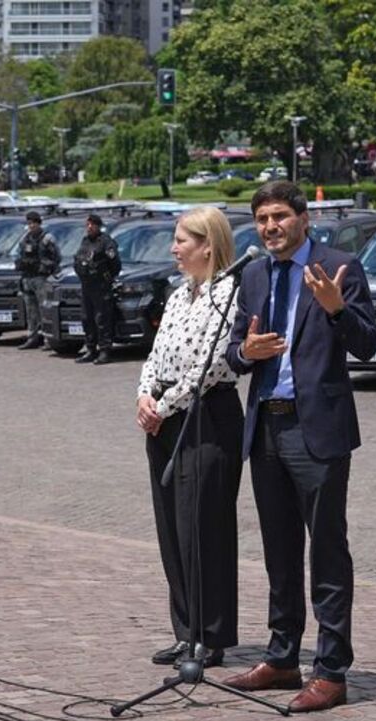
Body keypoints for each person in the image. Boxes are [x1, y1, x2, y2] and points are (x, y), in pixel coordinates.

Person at [222, 181, 376, 713]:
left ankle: (331, 671)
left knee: (327, 550)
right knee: (279, 550)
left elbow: (367, 344)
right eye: (262, 219)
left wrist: (336, 309)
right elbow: (234, 352)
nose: (271, 227)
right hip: (266, 427)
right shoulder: (253, 274)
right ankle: (283, 656)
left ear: (303, 218)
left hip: (318, 432)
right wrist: (246, 351)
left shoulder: (340, 267)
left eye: (280, 216)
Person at [137, 206, 243, 670]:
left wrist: (163, 406)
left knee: (203, 528)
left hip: (205, 416)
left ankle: (210, 635)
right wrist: (144, 395)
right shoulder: (180, 294)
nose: (174, 248)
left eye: (182, 240)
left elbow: (211, 365)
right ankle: (185, 631)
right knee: (172, 528)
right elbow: (155, 353)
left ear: (208, 245)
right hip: (164, 416)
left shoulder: (228, 294)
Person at [73, 213, 121, 365]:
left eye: (92, 225)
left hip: (101, 286)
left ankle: (105, 351)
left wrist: (106, 277)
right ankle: (90, 349)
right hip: (86, 285)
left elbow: (115, 264)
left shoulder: (106, 242)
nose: (89, 227)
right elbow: (78, 260)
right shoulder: (85, 241)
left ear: (98, 226)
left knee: (102, 319)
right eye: (87, 225)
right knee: (87, 318)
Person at [14, 210, 60, 350]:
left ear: (39, 223)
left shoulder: (47, 238)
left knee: (44, 309)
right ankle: (32, 337)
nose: (31, 226)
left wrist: (47, 268)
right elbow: (18, 255)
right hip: (28, 277)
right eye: (29, 223)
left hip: (41, 278)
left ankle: (48, 339)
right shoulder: (25, 238)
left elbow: (57, 257)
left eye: (34, 223)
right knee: (31, 310)